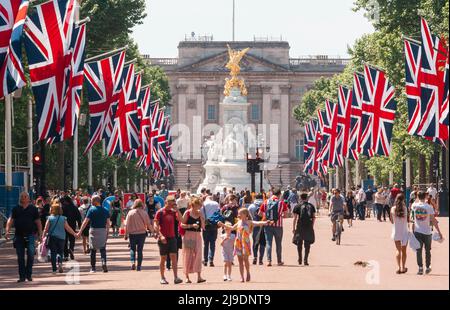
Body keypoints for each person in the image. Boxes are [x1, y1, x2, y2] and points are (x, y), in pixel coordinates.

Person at [218, 209, 269, 282]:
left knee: (245, 260)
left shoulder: (249, 222)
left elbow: (257, 223)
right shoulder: (238, 222)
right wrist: (222, 225)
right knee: (240, 261)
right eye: (238, 214)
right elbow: (232, 228)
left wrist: (265, 222)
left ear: (245, 214)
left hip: (245, 243)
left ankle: (248, 272)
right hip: (238, 242)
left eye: (240, 214)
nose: (238, 215)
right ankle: (242, 276)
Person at [5, 192, 43, 282]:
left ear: (29, 199)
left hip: (30, 235)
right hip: (19, 235)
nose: (23, 198)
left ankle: (28, 275)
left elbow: (38, 222)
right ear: (20, 198)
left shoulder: (33, 209)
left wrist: (40, 234)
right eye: (22, 196)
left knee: (31, 255)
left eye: (25, 196)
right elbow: (10, 220)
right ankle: (22, 276)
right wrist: (7, 230)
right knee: (20, 257)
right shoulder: (16, 209)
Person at [411, 191, 443, 275]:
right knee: (428, 251)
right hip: (427, 232)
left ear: (417, 196)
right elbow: (433, 220)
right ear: (425, 196)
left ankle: (420, 268)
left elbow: (413, 205)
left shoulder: (414, 206)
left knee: (418, 250)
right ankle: (428, 267)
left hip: (417, 231)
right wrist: (439, 232)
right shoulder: (429, 207)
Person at [76, 195, 110, 273]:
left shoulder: (91, 210)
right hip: (102, 230)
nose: (91, 201)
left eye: (92, 200)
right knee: (102, 249)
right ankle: (103, 262)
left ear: (95, 201)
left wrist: (80, 231)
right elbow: (108, 223)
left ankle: (93, 268)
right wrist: (107, 232)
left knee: (93, 250)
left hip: (93, 230)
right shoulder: (105, 210)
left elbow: (85, 221)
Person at [154, 195, 183, 285]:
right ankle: (162, 277)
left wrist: (177, 210)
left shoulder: (173, 212)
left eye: (173, 204)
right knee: (163, 258)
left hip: (172, 237)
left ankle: (176, 277)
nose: (172, 206)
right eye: (170, 204)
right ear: (166, 202)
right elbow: (156, 225)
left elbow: (181, 220)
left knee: (174, 257)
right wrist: (160, 235)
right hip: (163, 238)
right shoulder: (160, 212)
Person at [42, 202, 78, 274]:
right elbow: (67, 228)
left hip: (52, 237)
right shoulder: (63, 218)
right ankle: (60, 262)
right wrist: (74, 233)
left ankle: (54, 269)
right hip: (62, 237)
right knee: (60, 252)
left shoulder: (50, 218)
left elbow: (46, 228)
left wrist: (42, 237)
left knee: (53, 252)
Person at [180, 197, 206, 283]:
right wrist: (191, 225)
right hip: (188, 235)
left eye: (200, 206)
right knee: (188, 255)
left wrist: (202, 219)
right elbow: (182, 224)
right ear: (193, 205)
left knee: (198, 254)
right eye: (198, 206)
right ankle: (187, 276)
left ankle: (199, 276)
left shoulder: (200, 213)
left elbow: (203, 227)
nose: (199, 208)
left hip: (197, 235)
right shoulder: (187, 213)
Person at [260, 188, 288, 266]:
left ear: (272, 193)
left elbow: (259, 213)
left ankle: (269, 260)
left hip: (268, 225)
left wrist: (266, 216)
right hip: (278, 226)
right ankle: (279, 261)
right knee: (278, 243)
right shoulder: (281, 203)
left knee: (269, 243)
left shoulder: (265, 202)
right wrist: (280, 216)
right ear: (279, 194)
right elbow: (286, 215)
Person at [124, 199, 154, 271]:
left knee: (132, 249)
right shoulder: (144, 213)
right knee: (140, 250)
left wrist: (126, 234)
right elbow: (148, 224)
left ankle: (132, 262)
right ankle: (139, 266)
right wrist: (153, 232)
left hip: (132, 234)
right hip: (142, 234)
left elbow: (127, 224)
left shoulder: (130, 213)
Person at [293, 192, 316, 266]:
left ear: (300, 198)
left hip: (300, 226)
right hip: (308, 226)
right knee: (307, 243)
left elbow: (295, 218)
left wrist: (293, 228)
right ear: (307, 198)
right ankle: (305, 259)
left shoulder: (298, 206)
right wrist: (312, 226)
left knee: (299, 242)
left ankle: (300, 258)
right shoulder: (311, 206)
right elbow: (314, 217)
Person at [390, 194, 409, 274]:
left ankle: (398, 267)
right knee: (404, 251)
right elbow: (407, 220)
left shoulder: (392, 209)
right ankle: (403, 267)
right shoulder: (405, 209)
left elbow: (391, 221)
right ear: (403, 200)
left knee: (398, 250)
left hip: (396, 231)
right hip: (404, 231)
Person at [61, 195, 81, 261]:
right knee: (72, 239)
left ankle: (66, 255)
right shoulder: (74, 207)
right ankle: (71, 249)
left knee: (65, 240)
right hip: (72, 225)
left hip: (64, 226)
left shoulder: (62, 208)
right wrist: (80, 227)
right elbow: (79, 218)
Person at [201, 194, 220, 267]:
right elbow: (219, 213)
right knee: (213, 243)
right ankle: (211, 259)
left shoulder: (204, 204)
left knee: (206, 244)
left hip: (206, 224)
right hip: (214, 224)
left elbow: (202, 216)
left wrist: (202, 226)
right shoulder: (216, 203)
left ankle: (205, 260)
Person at [248, 194, 266, 265]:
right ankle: (261, 259)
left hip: (254, 225)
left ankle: (255, 257)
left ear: (255, 198)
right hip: (263, 225)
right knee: (262, 242)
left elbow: (249, 217)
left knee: (255, 242)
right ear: (262, 197)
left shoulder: (251, 206)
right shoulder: (265, 204)